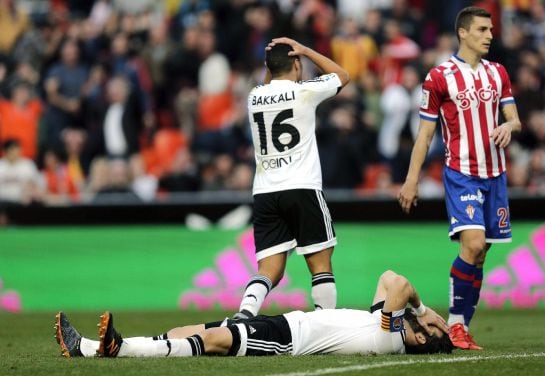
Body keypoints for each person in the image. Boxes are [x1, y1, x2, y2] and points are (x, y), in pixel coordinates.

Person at [398, 7, 522, 351]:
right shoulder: (439, 77)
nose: (490, 35)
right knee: (473, 245)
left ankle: (462, 328)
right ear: (463, 33)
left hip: (495, 176)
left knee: (481, 256)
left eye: (491, 29)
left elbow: (515, 118)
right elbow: (424, 136)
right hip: (461, 174)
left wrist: (508, 126)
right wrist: (411, 180)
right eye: (482, 29)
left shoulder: (498, 73)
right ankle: (454, 324)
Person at [54, 270, 453, 358]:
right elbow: (387, 278)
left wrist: (422, 310)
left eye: (428, 328)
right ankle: (91, 347)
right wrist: (426, 314)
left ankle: (113, 348)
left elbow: (399, 286)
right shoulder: (385, 324)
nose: (426, 323)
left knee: (210, 340)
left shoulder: (390, 335)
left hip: (288, 340)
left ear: (420, 337)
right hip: (285, 323)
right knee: (182, 329)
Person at [233, 37, 350, 320]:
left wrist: (271, 64)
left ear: (268, 68)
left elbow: (265, 84)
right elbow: (343, 76)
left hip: (265, 192)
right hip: (302, 187)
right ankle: (326, 323)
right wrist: (307, 50)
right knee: (320, 264)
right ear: (297, 64)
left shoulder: (254, 97)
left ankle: (244, 314)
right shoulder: (305, 91)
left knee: (269, 270)